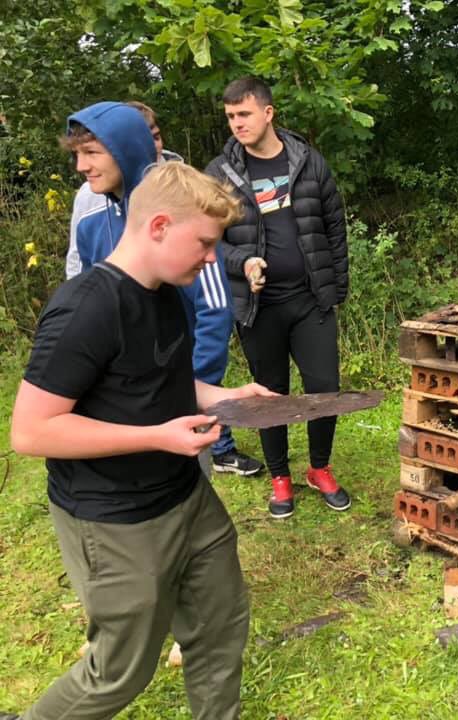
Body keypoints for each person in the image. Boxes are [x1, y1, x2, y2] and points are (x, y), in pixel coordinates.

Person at [9, 161, 274, 719]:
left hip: (185, 497)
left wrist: (225, 397)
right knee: (117, 674)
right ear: (158, 227)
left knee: (219, 628)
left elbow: (161, 380)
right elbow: (32, 431)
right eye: (204, 243)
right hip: (116, 519)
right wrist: (157, 436)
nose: (211, 258)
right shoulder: (86, 308)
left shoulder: (167, 290)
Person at [64, 100, 263, 477]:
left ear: (123, 149)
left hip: (177, 392)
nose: (81, 166)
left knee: (185, 486)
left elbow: (215, 308)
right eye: (77, 154)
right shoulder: (90, 218)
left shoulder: (180, 209)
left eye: (91, 153)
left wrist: (194, 387)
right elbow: (88, 304)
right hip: (118, 403)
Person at [205, 76, 351, 518]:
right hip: (259, 307)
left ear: (268, 113)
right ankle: (280, 477)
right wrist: (244, 264)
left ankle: (319, 468)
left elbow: (334, 225)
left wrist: (334, 288)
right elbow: (209, 240)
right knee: (268, 396)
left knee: (324, 388)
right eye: (230, 116)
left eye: (244, 114)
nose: (237, 123)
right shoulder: (220, 173)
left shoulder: (308, 161)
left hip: (310, 301)